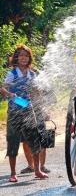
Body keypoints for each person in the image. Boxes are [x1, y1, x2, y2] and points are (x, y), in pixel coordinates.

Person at [0, 45, 48, 182]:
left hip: (29, 109)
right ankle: (13, 173)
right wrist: (10, 94)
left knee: (35, 139)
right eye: (20, 55)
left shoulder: (32, 74)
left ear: (29, 58)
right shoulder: (12, 74)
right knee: (13, 141)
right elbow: (3, 88)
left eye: (26, 56)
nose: (23, 58)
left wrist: (42, 107)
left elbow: (36, 93)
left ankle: (37, 170)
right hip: (15, 111)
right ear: (16, 58)